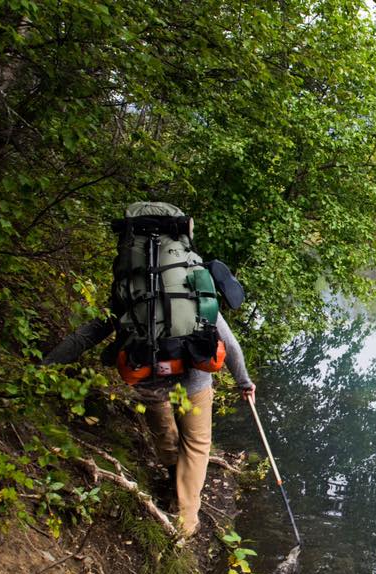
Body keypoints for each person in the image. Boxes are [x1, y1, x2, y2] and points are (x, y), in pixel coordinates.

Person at [44, 215, 255, 538]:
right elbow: (229, 343)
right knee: (197, 445)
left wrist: (44, 367)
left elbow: (88, 334)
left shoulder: (132, 288)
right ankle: (185, 523)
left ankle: (172, 474)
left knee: (163, 430)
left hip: (150, 376)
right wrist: (244, 382)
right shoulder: (195, 283)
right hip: (195, 377)